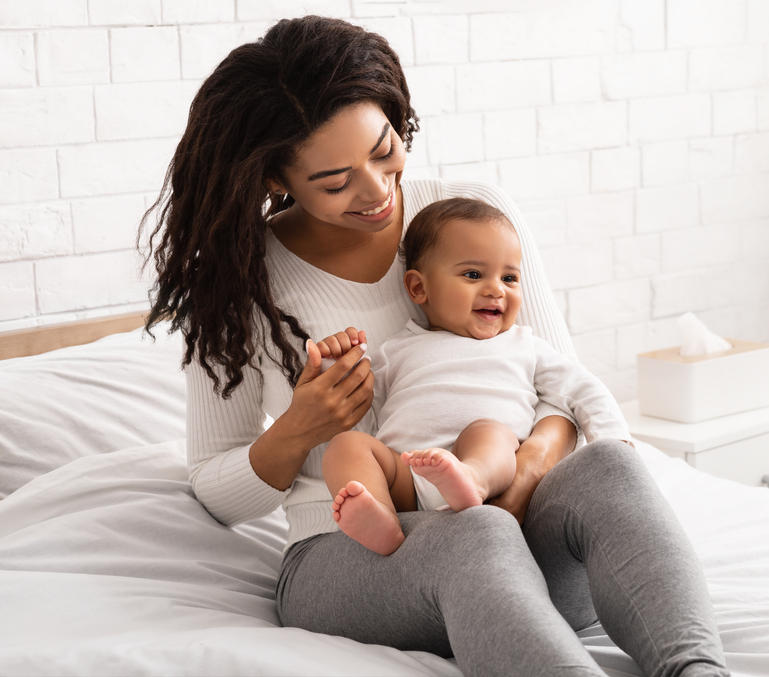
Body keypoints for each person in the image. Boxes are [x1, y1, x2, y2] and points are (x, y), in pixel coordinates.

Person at [143, 15, 729, 677]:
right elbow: (214, 489)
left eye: (385, 149)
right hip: (354, 560)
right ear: (276, 177)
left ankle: (698, 669)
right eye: (336, 181)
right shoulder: (236, 280)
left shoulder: (469, 211)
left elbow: (557, 389)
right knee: (475, 534)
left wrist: (525, 472)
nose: (375, 190)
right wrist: (299, 428)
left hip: (515, 529)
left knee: (610, 471)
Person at [319, 198, 633, 556]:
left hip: (495, 480)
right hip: (407, 476)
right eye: (473, 275)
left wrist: (613, 441)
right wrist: (335, 366)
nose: (496, 289)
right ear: (419, 288)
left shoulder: (524, 345)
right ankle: (380, 518)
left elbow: (582, 388)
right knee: (346, 446)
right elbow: (358, 406)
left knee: (490, 431)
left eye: (509, 277)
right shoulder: (396, 349)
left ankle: (471, 478)